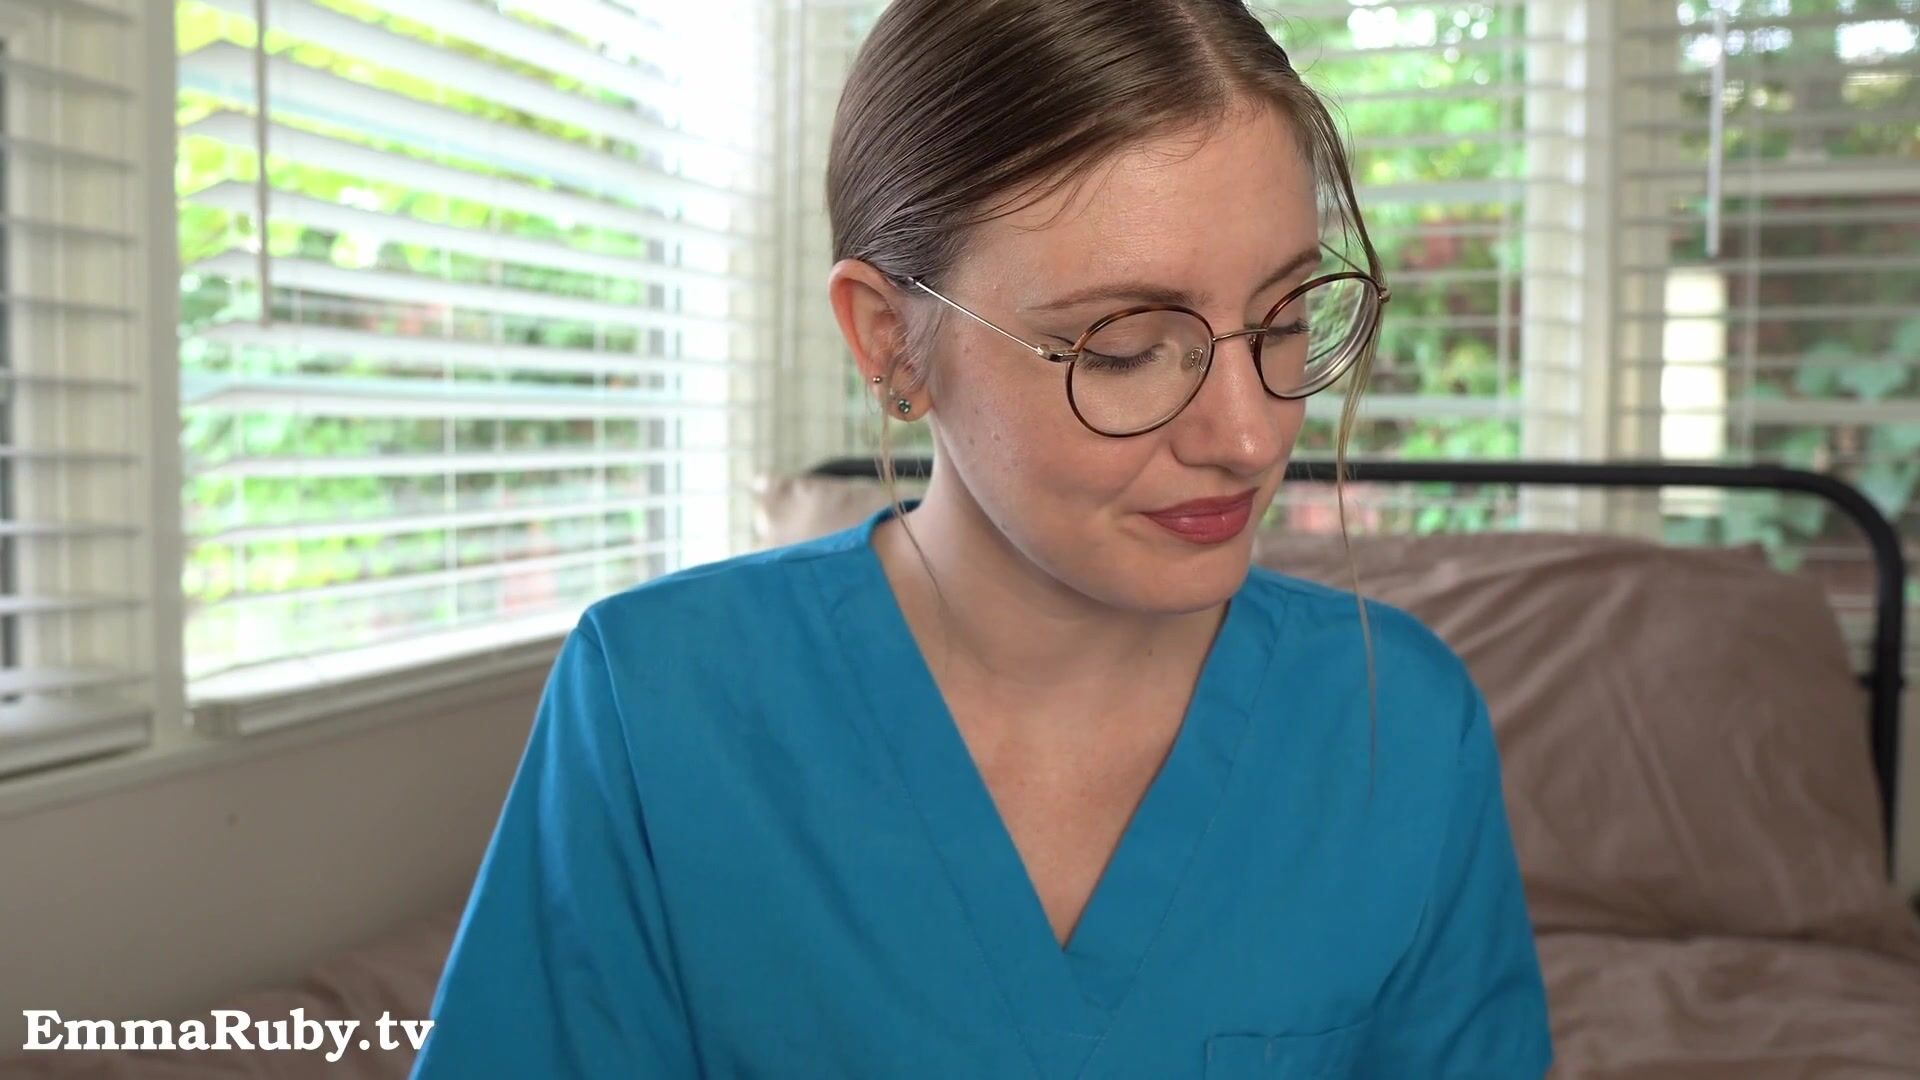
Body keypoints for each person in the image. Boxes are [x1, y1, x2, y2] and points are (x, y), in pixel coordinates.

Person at [411, 1, 1553, 1076]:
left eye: (1285, 319)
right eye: (1122, 348)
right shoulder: (658, 703)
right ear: (891, 342)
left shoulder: (1399, 726)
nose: (1251, 437)